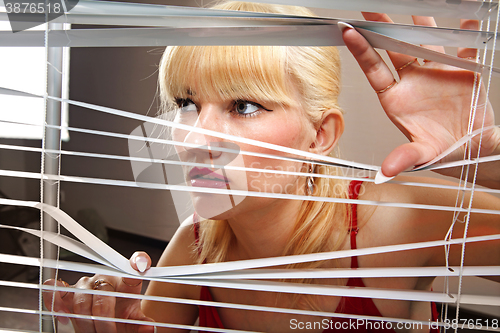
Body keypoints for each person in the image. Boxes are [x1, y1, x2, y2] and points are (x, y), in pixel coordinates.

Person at [43, 2, 500, 332]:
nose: (193, 140)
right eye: (186, 103)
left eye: (244, 106)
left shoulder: (399, 222)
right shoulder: (193, 248)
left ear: (320, 136)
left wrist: (489, 159)